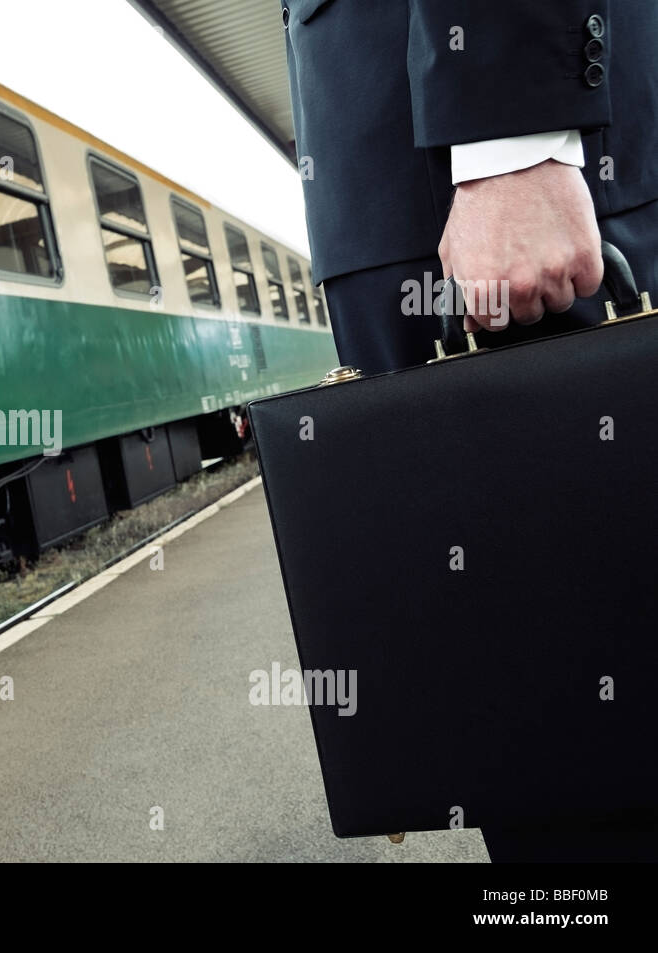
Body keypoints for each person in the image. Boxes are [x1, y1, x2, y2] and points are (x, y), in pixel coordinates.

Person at [282, 0, 658, 860]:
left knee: (592, 755)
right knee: (533, 729)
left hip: (494, 165)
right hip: (403, 191)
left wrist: (515, 139)